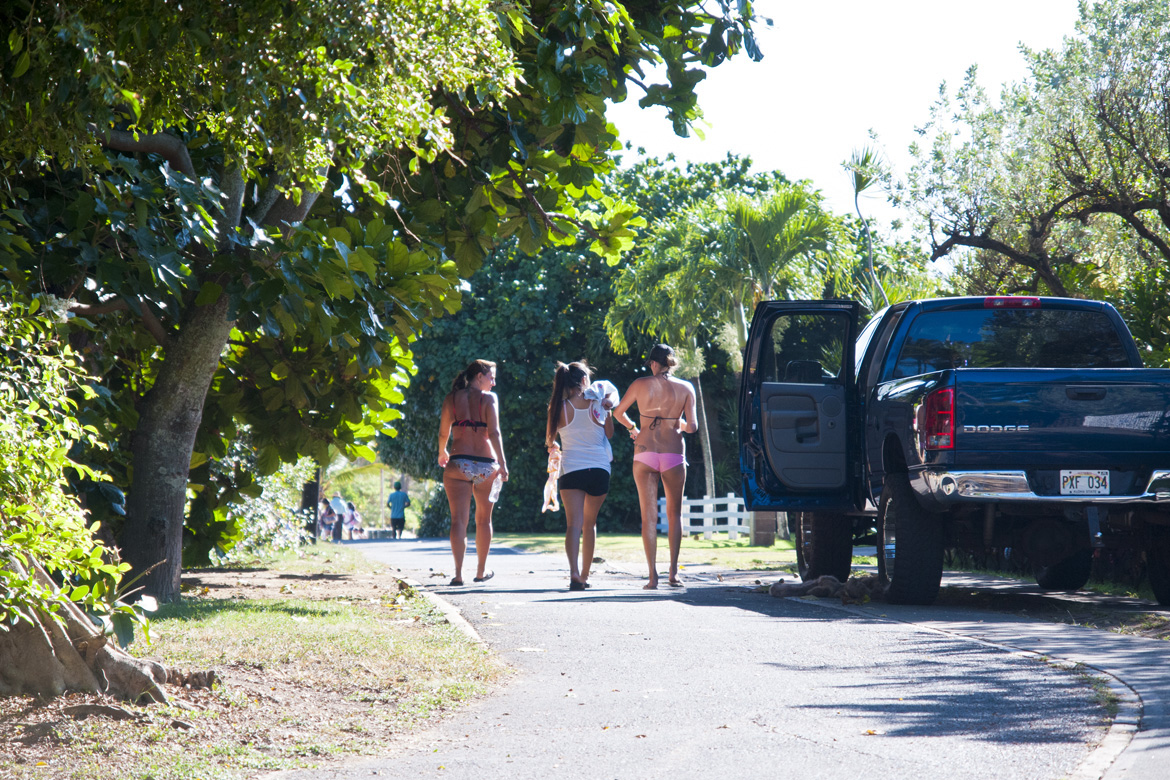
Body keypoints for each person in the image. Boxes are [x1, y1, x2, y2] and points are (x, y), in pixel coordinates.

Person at [613, 344, 697, 589]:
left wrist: (633, 429)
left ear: (653, 363)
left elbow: (619, 412)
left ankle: (652, 576)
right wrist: (677, 424)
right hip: (673, 454)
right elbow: (692, 427)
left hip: (644, 453)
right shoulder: (686, 388)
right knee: (675, 514)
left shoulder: (640, 384)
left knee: (648, 518)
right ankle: (673, 572)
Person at [438, 359, 509, 586]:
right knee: (483, 520)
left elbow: (443, 433)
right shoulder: (489, 399)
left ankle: (458, 574)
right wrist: (504, 464)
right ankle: (480, 572)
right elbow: (495, 433)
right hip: (486, 465)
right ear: (479, 376)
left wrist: (442, 452)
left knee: (458, 520)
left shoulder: (451, 399)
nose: (494, 383)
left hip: (458, 463)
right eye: (491, 377)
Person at [546, 361, 614, 591]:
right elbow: (610, 433)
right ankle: (585, 575)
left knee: (573, 525)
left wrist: (555, 445)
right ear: (584, 380)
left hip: (572, 469)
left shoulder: (559, 407)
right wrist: (609, 411)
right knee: (590, 523)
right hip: (599, 469)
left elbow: (550, 441)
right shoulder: (598, 403)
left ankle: (574, 573)